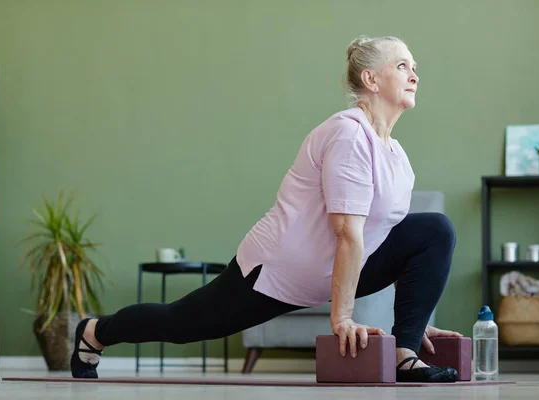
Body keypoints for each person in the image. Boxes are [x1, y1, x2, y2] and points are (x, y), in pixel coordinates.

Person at [71, 35, 462, 383]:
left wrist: (413, 326)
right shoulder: (348, 135)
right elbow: (347, 232)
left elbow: (391, 240)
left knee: (434, 230)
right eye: (401, 66)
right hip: (276, 271)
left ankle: (404, 357)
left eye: (415, 68)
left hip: (335, 272)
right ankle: (95, 331)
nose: (414, 75)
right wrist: (341, 319)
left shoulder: (396, 156)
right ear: (371, 80)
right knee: (180, 323)